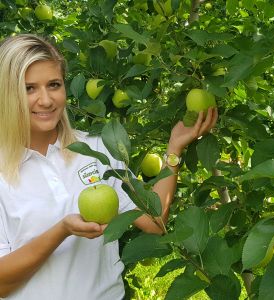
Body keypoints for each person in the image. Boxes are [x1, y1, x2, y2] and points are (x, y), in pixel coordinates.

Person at [0, 34, 218, 299]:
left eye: (54, 85)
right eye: (29, 88)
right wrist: (62, 230)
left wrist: (174, 149)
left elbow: (154, 222)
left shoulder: (97, 150)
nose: (45, 100)